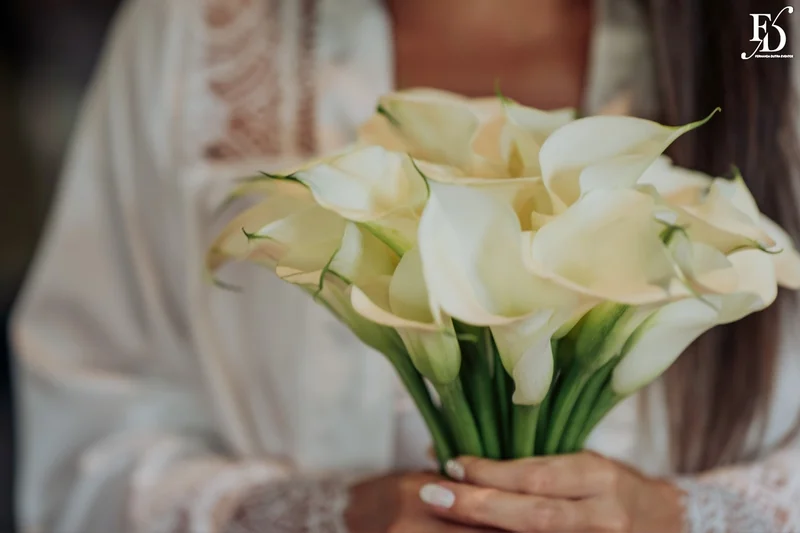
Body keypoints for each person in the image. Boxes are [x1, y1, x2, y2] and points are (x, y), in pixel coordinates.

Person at [11, 0, 800, 531]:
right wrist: (324, 514)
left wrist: (682, 514)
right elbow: (84, 439)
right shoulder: (194, 28)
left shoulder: (770, 34)